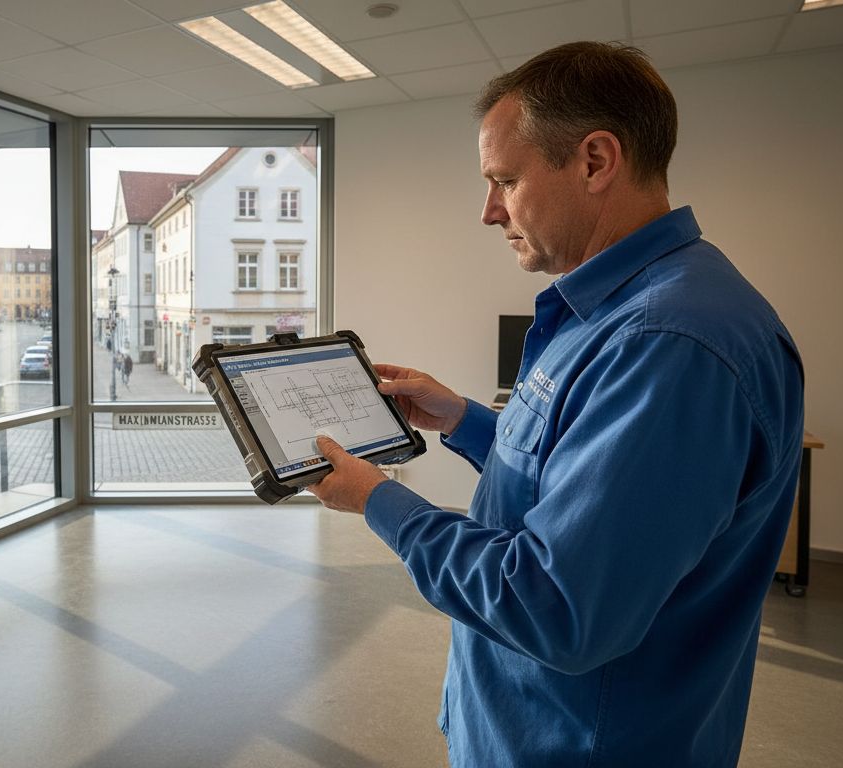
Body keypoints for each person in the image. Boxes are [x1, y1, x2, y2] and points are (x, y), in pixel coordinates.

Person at [309, 42, 803, 767]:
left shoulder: (670, 343)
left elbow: (556, 609)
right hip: (522, 727)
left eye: (505, 180)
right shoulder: (621, 307)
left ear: (595, 161)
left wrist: (378, 500)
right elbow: (578, 477)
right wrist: (464, 420)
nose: (489, 211)